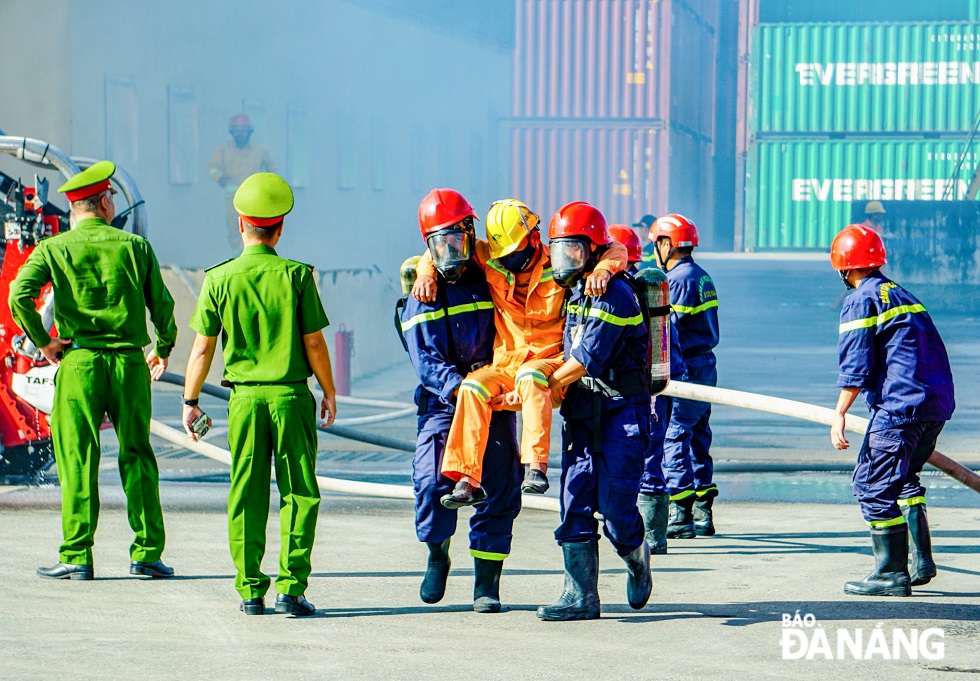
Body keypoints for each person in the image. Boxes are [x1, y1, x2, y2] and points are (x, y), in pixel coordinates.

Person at [9, 160, 178, 581]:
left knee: (77, 457)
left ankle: (77, 556)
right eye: (111, 199)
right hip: (128, 364)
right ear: (103, 202)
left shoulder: (53, 249)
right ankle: (146, 554)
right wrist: (165, 347)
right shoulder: (134, 247)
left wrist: (44, 341)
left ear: (75, 208)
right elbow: (164, 306)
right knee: (137, 456)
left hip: (79, 363)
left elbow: (18, 295)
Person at [182, 172, 336, 616]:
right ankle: (291, 588)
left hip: (244, 401)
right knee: (299, 493)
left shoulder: (218, 279)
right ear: (280, 228)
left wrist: (191, 402)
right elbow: (313, 343)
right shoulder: (297, 276)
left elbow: (202, 348)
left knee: (246, 492)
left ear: (240, 224)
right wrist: (328, 390)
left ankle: (250, 590)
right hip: (290, 397)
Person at [412, 199, 628, 506]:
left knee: (530, 375)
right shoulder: (490, 257)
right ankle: (468, 479)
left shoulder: (560, 258)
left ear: (534, 240)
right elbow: (443, 247)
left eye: (513, 253)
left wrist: (605, 269)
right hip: (506, 364)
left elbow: (613, 247)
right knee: (472, 386)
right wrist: (426, 275)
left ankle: (536, 468)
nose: (507, 261)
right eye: (503, 256)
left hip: (550, 363)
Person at [399, 188, 523, 613]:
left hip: (494, 397)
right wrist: (460, 389)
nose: (449, 250)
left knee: (501, 489)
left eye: (456, 239)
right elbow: (425, 359)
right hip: (443, 403)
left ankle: (486, 585)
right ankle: (438, 554)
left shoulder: (493, 272)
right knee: (432, 483)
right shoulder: (423, 293)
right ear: (428, 245)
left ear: (471, 233)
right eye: (438, 244)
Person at [537, 202, 652, 621]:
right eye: (558, 250)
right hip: (583, 411)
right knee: (575, 503)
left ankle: (637, 555)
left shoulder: (617, 293)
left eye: (572, 250)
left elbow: (587, 358)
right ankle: (580, 596)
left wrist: (543, 386)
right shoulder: (576, 292)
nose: (563, 260)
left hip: (622, 413)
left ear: (592, 249)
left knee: (617, 509)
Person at [829, 224, 954, 597]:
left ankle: (890, 574)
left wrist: (839, 413)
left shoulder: (860, 298)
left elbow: (856, 363)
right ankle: (921, 561)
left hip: (899, 408)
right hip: (933, 406)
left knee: (872, 486)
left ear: (843, 266)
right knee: (904, 479)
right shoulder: (899, 293)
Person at [608, 224, 683, 554]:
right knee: (654, 458)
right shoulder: (654, 287)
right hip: (660, 383)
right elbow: (671, 342)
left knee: (634, 460)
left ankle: (640, 535)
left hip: (634, 389)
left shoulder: (623, 293)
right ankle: (656, 537)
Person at [649, 214, 720, 539]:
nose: (654, 250)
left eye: (656, 243)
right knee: (698, 436)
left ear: (668, 243)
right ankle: (704, 511)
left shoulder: (676, 280)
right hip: (705, 366)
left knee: (674, 437)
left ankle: (682, 513)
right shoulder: (701, 276)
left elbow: (667, 333)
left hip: (686, 369)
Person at [207, 114, 277, 250]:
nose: (240, 134)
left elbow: (272, 168)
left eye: (243, 130)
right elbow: (211, 166)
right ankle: (237, 256)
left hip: (255, 198)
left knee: (256, 227)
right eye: (236, 130)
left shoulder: (260, 150)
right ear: (231, 132)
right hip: (232, 198)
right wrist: (218, 177)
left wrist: (267, 186)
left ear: (250, 131)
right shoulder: (224, 149)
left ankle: (253, 252)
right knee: (233, 227)